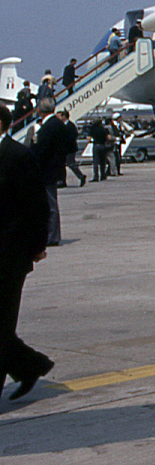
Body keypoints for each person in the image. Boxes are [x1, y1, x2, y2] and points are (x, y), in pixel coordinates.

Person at [0, 106, 54, 400]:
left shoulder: (18, 156)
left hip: (10, 255)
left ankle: (31, 366)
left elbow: (36, 207)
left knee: (1, 325)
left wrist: (37, 247)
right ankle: (32, 365)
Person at [32, 110, 73, 246]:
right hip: (52, 169)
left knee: (50, 204)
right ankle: (51, 234)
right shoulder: (58, 125)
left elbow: (42, 149)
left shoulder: (49, 126)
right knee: (50, 203)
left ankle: (52, 235)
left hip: (46, 171)